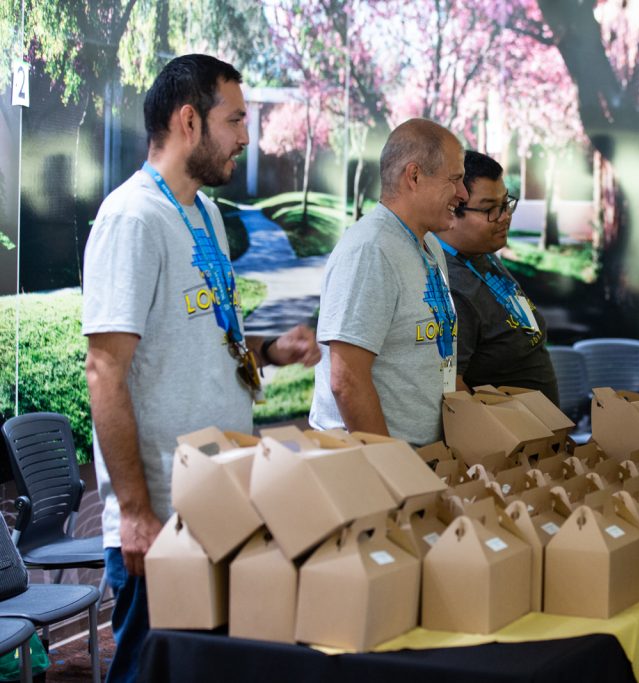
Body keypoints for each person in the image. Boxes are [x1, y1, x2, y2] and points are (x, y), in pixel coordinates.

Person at [82, 54, 320, 683]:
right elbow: (105, 370)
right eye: (235, 119)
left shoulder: (205, 215)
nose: (246, 136)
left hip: (222, 501)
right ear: (189, 121)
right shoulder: (132, 217)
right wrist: (134, 513)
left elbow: (206, 334)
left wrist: (269, 350)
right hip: (161, 519)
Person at [309, 118, 468, 445]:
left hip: (422, 460)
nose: (463, 194)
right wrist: (391, 468)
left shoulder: (430, 244)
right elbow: (347, 379)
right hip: (374, 469)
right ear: (414, 176)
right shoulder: (371, 250)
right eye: (455, 180)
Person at [437, 150, 558, 404]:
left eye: (505, 204)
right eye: (490, 209)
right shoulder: (452, 288)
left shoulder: (482, 252)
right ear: (451, 209)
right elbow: (452, 385)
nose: (504, 217)